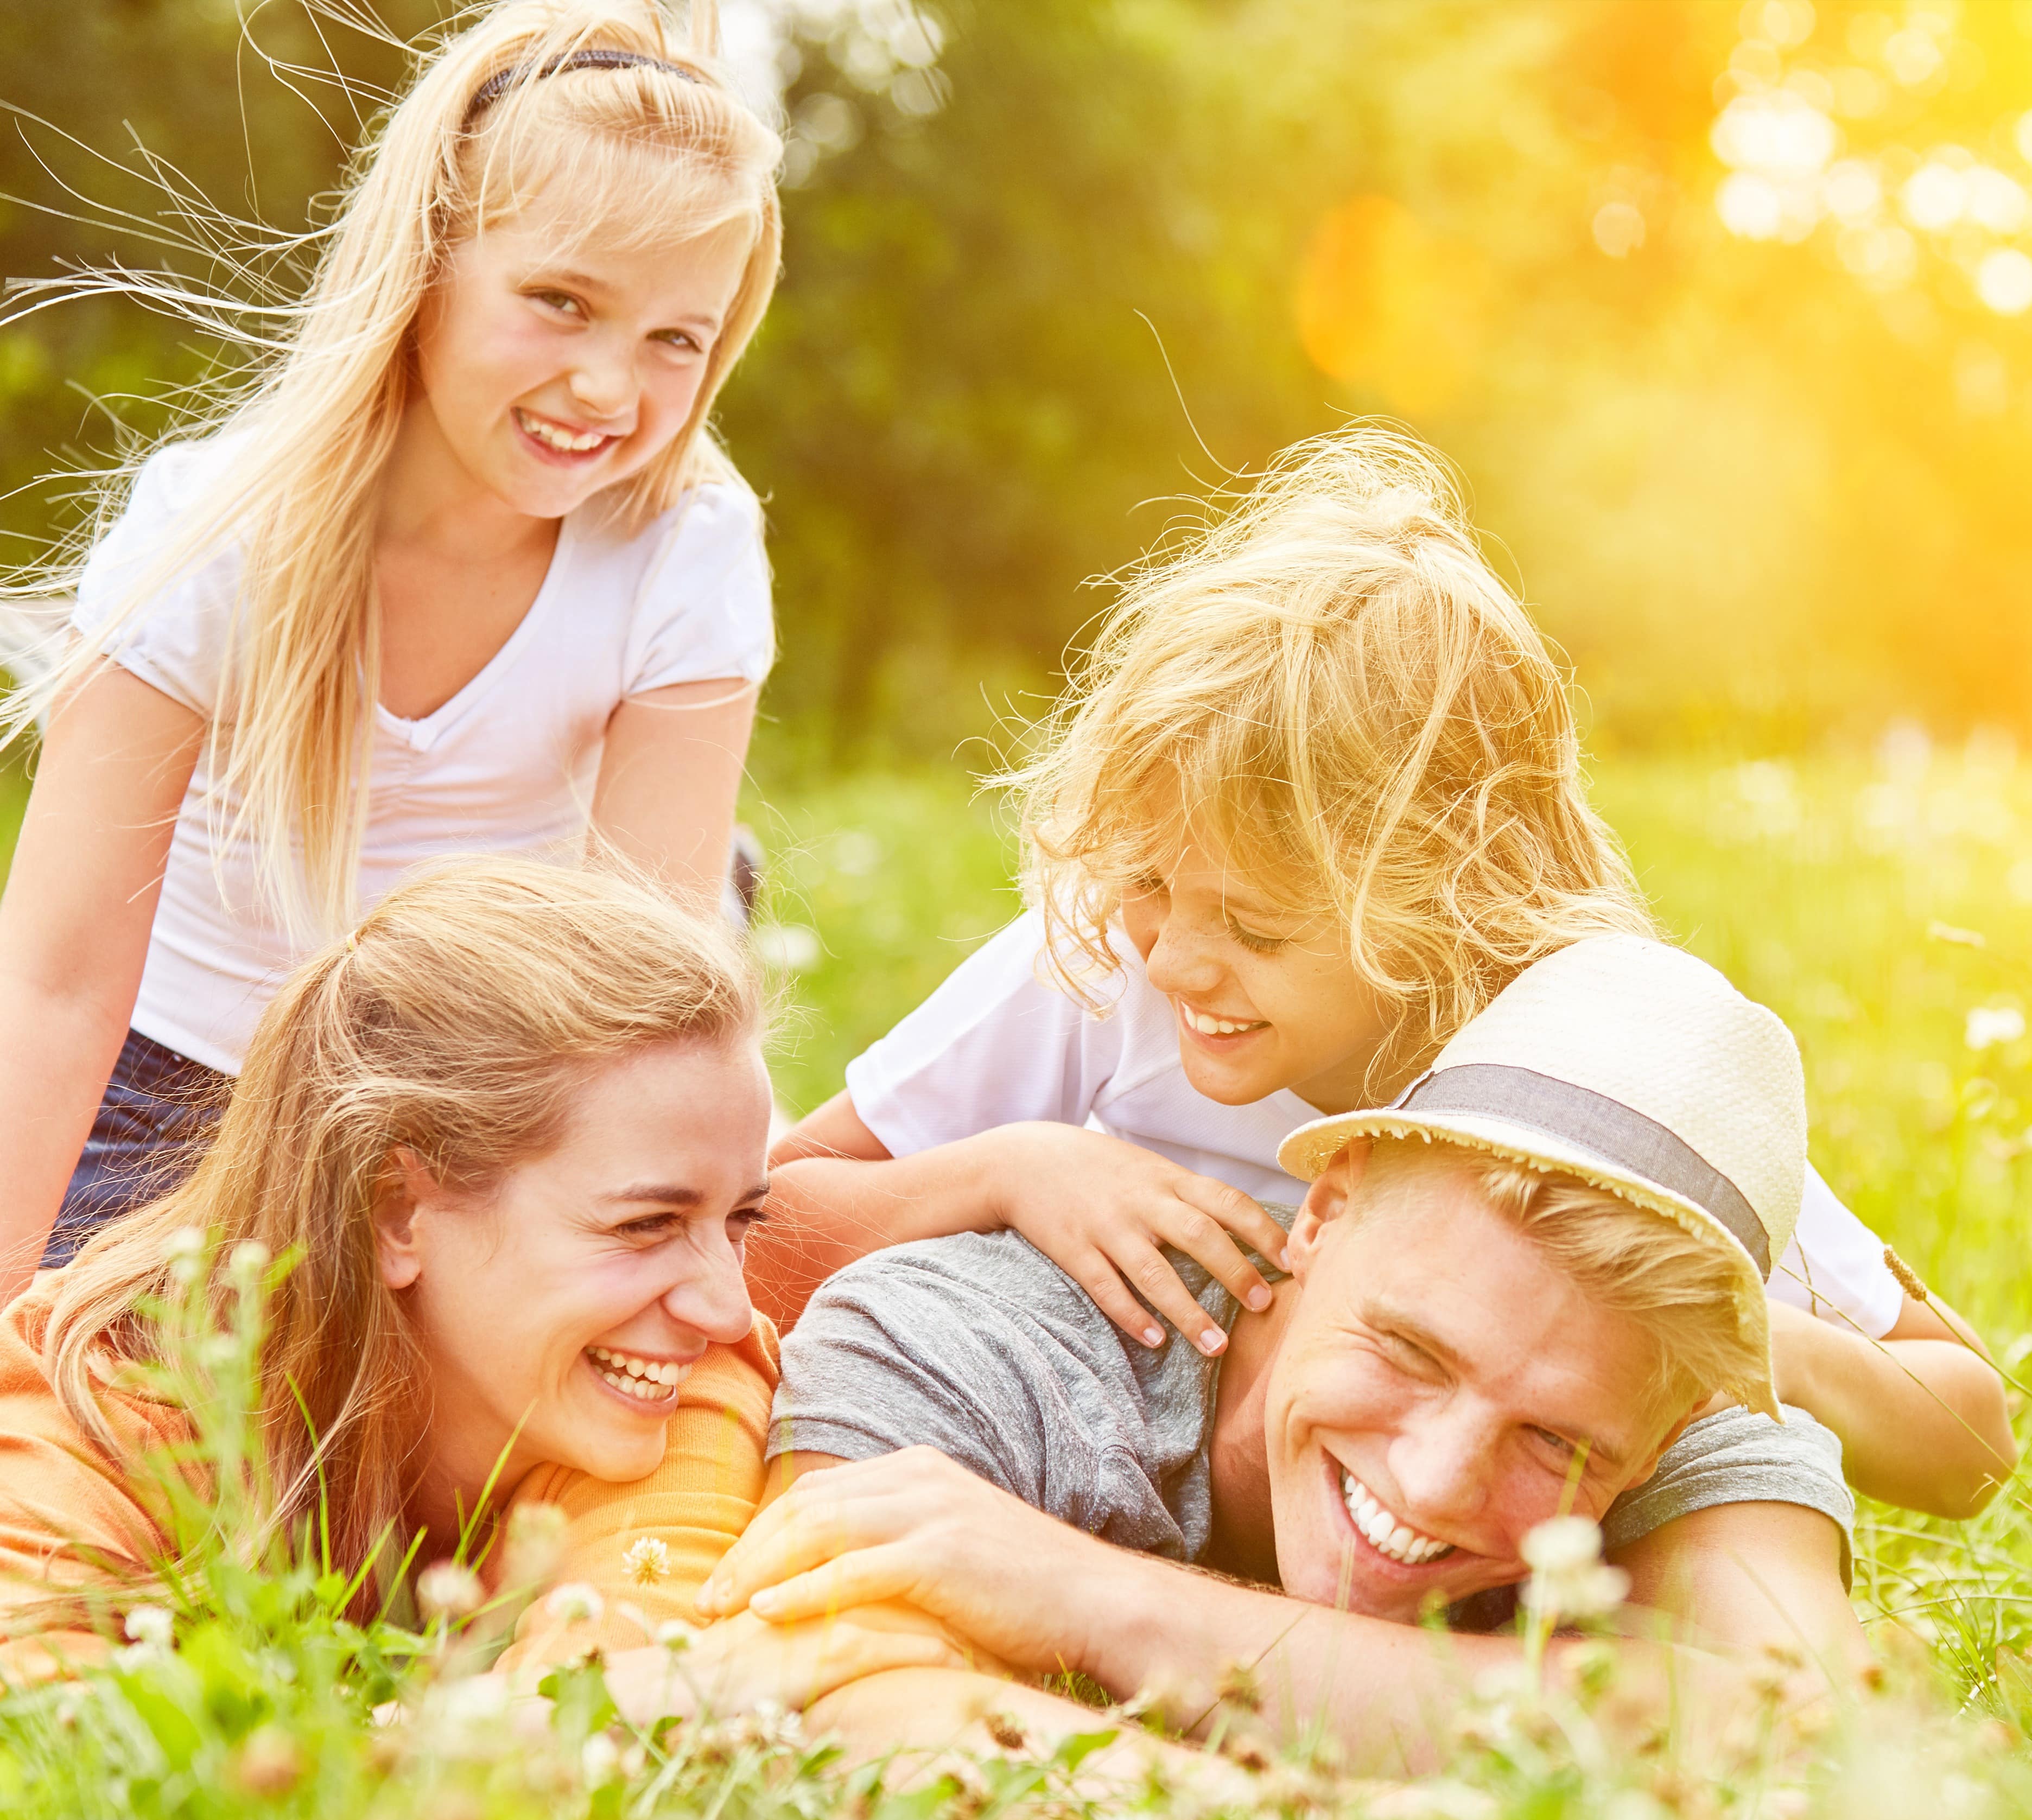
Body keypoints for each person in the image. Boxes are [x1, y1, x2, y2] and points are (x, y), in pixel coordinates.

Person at [752, 427, 2008, 1522]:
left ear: (1441, 896)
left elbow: (1967, 1439)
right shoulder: (1094, 962)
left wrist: (1704, 1333)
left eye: (1254, 926)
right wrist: (1004, 1170)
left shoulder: (1586, 1060)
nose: (1179, 956)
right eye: (1148, 882)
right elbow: (751, 1227)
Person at [705, 936, 1976, 1769]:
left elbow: (1795, 1746)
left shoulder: (1698, 1426)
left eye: (1557, 1443)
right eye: (1413, 1351)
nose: (1432, 1485)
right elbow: (822, 1700)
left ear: (1679, 1422)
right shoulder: (974, 1336)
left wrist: (1099, 1600)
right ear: (1325, 1205)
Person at [0, 1, 783, 1297]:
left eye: (673, 341)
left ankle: (727, 902)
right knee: (149, 1436)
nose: (608, 387)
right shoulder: (221, 531)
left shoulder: (684, 544)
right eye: (560, 302)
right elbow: (57, 982)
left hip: (488, 1093)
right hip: (177, 1080)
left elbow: (634, 1010)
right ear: (427, 266)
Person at [0, 857, 957, 1708]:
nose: (726, 1306)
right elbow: (51, 1746)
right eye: (646, 1224)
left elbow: (616, 1697)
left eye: (738, 1220)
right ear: (397, 1213)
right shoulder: (101, 1393)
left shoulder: (677, 1384)